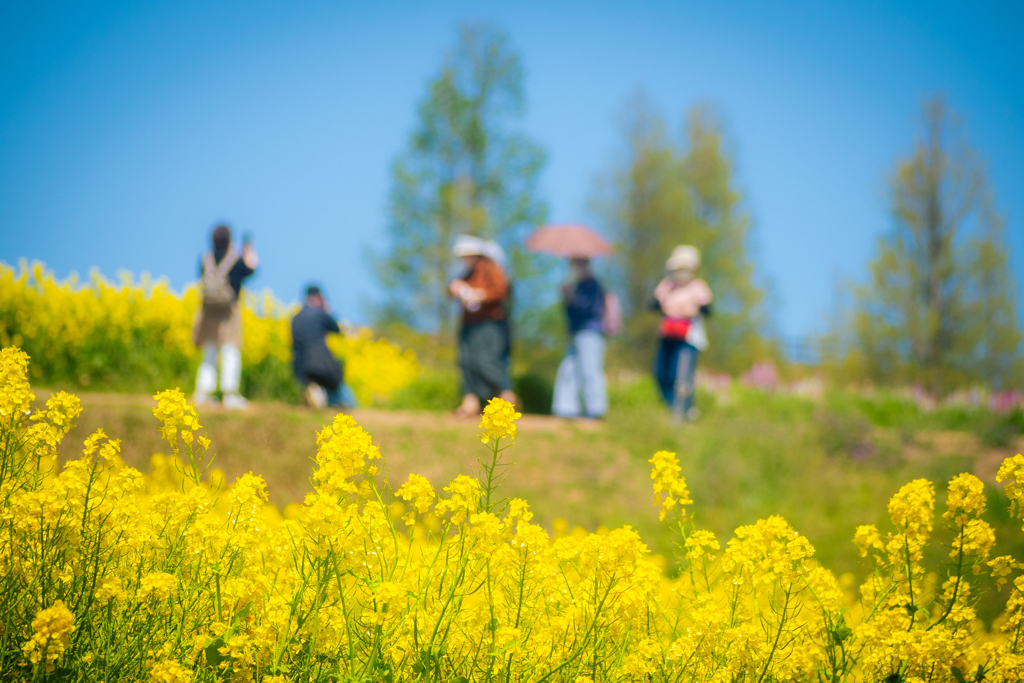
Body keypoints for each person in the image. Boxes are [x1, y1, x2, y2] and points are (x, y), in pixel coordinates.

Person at [192, 224, 258, 409]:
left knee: (209, 352)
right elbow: (251, 270)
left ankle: (202, 393)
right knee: (230, 351)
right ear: (230, 240)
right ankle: (229, 395)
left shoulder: (205, 259)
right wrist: (248, 252)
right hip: (229, 312)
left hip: (208, 312)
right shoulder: (235, 259)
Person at [449, 235, 510, 417]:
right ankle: (470, 403)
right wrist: (456, 289)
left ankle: (506, 399)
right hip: (469, 323)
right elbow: (451, 288)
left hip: (489, 323)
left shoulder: (490, 269)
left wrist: (479, 295)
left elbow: (501, 291)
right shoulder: (467, 272)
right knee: (467, 362)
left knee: (486, 362)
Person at [652, 245, 712, 421]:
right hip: (667, 334)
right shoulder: (667, 286)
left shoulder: (698, 287)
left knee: (682, 377)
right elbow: (653, 304)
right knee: (662, 373)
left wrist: (694, 308)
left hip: (687, 337)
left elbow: (708, 310)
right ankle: (671, 406)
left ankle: (681, 414)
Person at [552, 257, 608, 419]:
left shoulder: (593, 285)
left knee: (590, 369)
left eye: (577, 265)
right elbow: (571, 313)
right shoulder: (576, 286)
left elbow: (589, 309)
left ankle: (595, 409)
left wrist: (571, 297)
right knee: (568, 369)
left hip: (590, 332)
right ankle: (566, 408)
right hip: (574, 332)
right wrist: (566, 297)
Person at [291, 285, 345, 409]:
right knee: (338, 382)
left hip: (300, 365)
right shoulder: (320, 313)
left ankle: (313, 392)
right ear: (318, 297)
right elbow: (336, 329)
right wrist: (327, 309)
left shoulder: (296, 317)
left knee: (313, 380)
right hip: (320, 365)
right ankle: (328, 400)